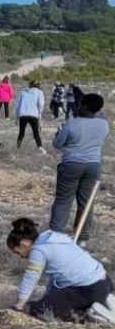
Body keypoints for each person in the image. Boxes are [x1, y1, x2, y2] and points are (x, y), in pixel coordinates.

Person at [7, 218, 113, 322]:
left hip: (89, 289)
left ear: (23, 243)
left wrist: (19, 306)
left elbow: (31, 277)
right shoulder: (54, 238)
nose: (20, 256)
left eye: (17, 252)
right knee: (51, 301)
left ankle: (94, 314)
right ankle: (103, 302)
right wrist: (48, 298)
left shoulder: (38, 250)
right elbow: (55, 280)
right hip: (105, 282)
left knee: (36, 309)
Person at [49, 93, 106, 242]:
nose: (78, 106)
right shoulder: (103, 124)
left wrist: (58, 134)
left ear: (85, 106)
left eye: (80, 104)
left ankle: (56, 235)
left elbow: (57, 144)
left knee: (63, 200)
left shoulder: (72, 123)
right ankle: (82, 237)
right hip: (94, 165)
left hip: (71, 164)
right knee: (86, 202)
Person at [15, 78, 45, 150]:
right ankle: (40, 148)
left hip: (23, 114)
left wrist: (16, 117)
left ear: (30, 85)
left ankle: (17, 147)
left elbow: (17, 105)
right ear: (38, 86)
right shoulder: (39, 92)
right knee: (36, 133)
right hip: (34, 114)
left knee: (21, 132)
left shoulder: (22, 92)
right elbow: (41, 105)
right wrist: (39, 116)